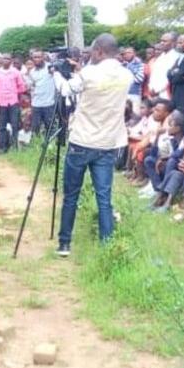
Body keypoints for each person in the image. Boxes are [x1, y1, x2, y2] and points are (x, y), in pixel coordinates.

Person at [55, 34, 133, 257]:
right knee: (104, 198)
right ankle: (107, 246)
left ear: (99, 51)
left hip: (82, 141)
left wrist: (56, 74)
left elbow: (65, 90)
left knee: (71, 195)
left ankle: (64, 244)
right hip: (108, 143)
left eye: (91, 52)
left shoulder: (89, 73)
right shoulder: (126, 75)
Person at [0, 53, 24, 153]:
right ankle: (2, 147)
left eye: (8, 59)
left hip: (13, 102)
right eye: (4, 58)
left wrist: (13, 92)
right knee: (2, 126)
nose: (6, 60)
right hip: (1, 102)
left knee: (14, 125)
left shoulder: (16, 72)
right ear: (1, 60)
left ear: (11, 61)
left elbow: (22, 87)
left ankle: (14, 147)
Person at [166, 34, 184, 128]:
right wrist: (174, 74)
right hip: (176, 95)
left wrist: (175, 74)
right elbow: (169, 73)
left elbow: (180, 75)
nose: (178, 44)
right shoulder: (179, 58)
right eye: (177, 42)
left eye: (181, 42)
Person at [28, 50, 57, 135]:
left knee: (50, 129)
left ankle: (51, 143)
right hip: (36, 104)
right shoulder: (32, 72)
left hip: (49, 104)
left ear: (43, 57)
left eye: (39, 57)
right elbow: (32, 86)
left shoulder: (50, 67)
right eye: (35, 57)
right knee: (35, 129)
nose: (37, 59)